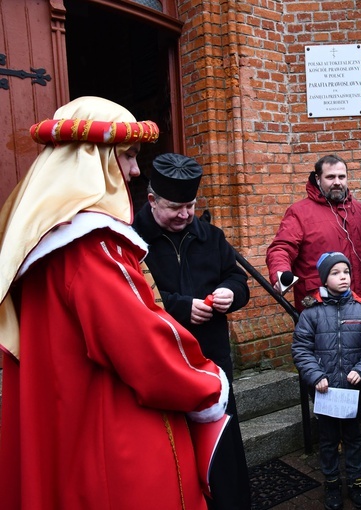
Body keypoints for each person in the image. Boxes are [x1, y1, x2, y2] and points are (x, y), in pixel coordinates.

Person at [0, 96, 229, 510]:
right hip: (110, 426)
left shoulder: (46, 241)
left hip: (66, 414)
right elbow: (142, 349)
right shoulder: (90, 245)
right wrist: (208, 383)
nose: (135, 170)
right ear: (92, 159)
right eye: (127, 156)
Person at [132, 153, 251, 510]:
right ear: (151, 200)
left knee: (221, 441)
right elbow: (131, 294)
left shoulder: (211, 236)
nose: (185, 215)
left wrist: (232, 292)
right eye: (176, 207)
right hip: (163, 362)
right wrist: (181, 306)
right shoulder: (132, 241)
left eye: (191, 205)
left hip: (212, 358)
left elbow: (236, 278)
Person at [266, 154, 361, 440]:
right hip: (318, 306)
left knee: (359, 361)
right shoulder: (299, 212)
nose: (337, 182)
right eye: (331, 177)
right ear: (317, 179)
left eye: (342, 177)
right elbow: (281, 248)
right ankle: (330, 427)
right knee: (324, 366)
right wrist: (281, 273)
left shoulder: (359, 210)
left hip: (357, 302)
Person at [291, 252, 361, 510]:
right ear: (324, 278)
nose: (342, 277)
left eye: (346, 272)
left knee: (353, 438)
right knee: (329, 440)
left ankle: (356, 482)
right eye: (335, 273)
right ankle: (331, 483)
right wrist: (315, 376)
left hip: (353, 390)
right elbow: (301, 349)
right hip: (325, 390)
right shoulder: (311, 313)